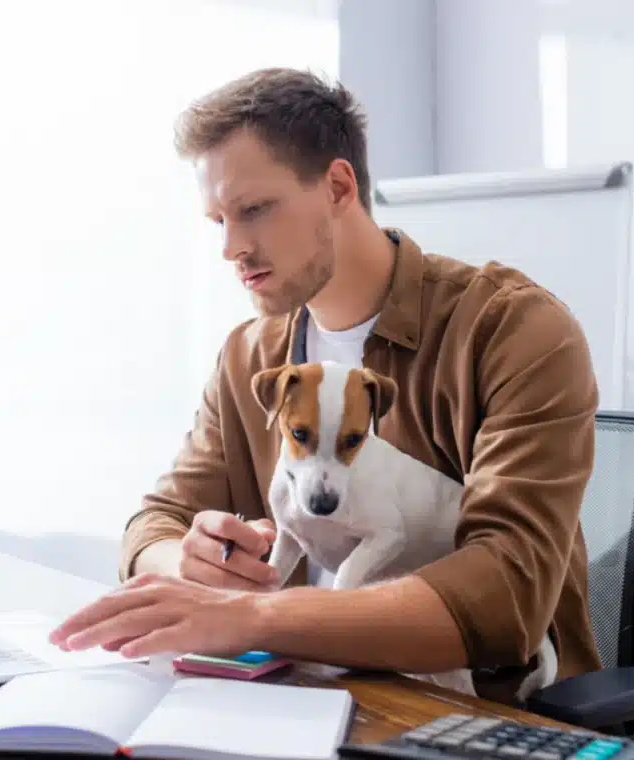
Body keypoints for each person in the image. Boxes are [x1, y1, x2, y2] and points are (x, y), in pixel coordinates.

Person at [49, 67, 603, 705]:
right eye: (218, 220)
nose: (231, 246)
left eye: (254, 209)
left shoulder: (513, 329)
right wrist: (191, 569)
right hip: (297, 700)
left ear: (339, 186)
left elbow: (507, 593)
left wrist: (250, 619)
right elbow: (155, 525)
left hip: (477, 712)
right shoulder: (249, 356)